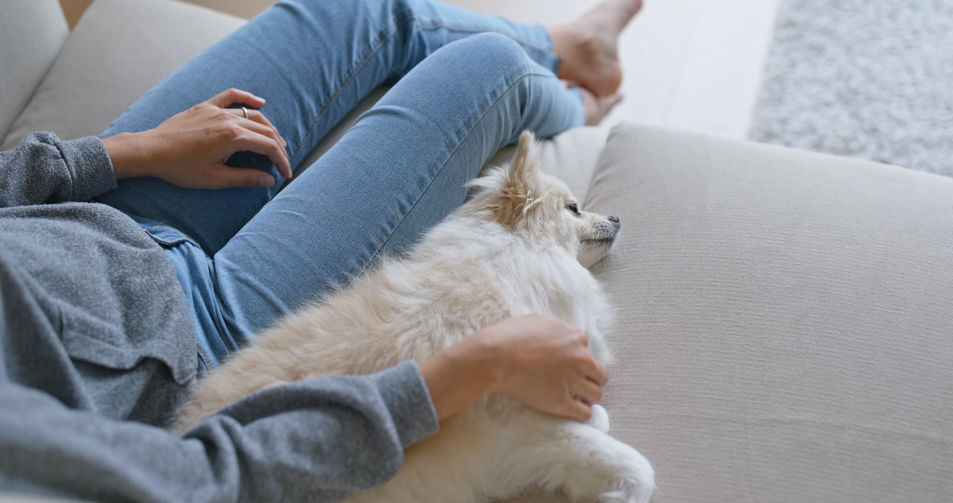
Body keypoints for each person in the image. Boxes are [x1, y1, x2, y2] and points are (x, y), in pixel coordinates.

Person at [0, 0, 642, 500]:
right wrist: (469, 370)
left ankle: (570, 48)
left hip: (93, 209)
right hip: (198, 331)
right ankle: (579, 100)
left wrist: (130, 151)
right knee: (490, 69)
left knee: (358, 12)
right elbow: (203, 482)